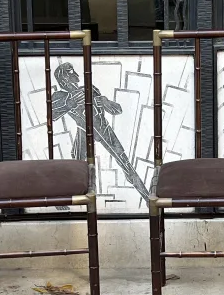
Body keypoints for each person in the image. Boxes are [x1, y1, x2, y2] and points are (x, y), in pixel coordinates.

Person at [49, 61, 150, 199]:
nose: (76, 75)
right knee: (77, 166)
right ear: (64, 78)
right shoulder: (60, 96)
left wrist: (103, 101)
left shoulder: (89, 89)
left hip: (103, 128)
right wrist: (69, 102)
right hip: (84, 131)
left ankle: (146, 196)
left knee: (125, 164)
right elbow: (52, 115)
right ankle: (63, 199)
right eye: (71, 72)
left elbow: (117, 110)